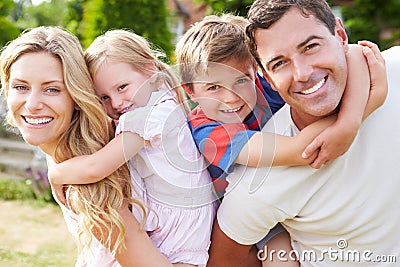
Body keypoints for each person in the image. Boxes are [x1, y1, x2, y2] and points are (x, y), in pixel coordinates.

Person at [175, 13, 386, 267]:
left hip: (292, 202)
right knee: (280, 259)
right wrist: (360, 111)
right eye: (213, 88)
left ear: (256, 72)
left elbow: (352, 52)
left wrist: (351, 116)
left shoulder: (266, 88)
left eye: (241, 80)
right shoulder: (208, 131)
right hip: (248, 221)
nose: (231, 98)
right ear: (190, 90)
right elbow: (300, 150)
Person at [0, 26, 178, 267]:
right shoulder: (75, 151)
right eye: (21, 87)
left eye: (52, 89)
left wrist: (56, 174)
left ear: (77, 96)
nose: (32, 105)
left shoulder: (87, 184)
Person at [48, 29, 217, 267]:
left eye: (122, 87)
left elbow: (95, 168)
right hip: (182, 234)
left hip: (177, 236)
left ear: (149, 70)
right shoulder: (162, 105)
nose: (116, 103)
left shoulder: (150, 117)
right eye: (103, 98)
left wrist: (55, 175)